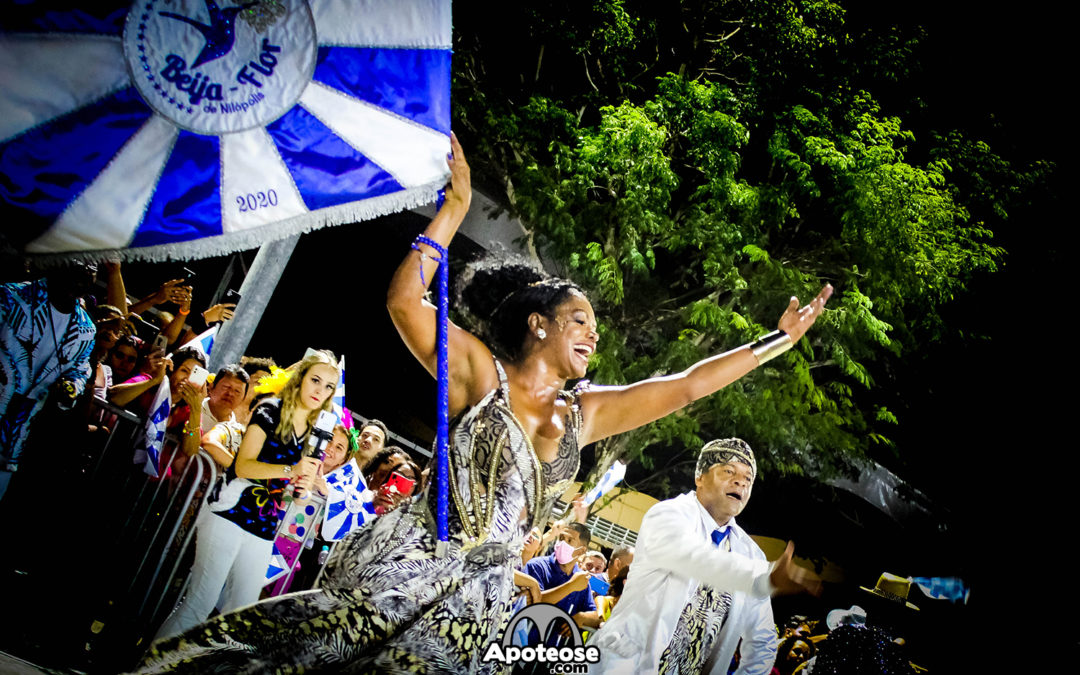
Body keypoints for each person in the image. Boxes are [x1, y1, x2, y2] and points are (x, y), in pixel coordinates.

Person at [138, 135, 831, 673]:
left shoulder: (585, 414)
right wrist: (453, 210)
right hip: (409, 563)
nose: (594, 333)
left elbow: (684, 384)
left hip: (478, 601)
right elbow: (404, 299)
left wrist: (776, 341)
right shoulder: (479, 372)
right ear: (539, 324)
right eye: (580, 320)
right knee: (301, 654)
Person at [588, 439, 819, 675]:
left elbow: (762, 642)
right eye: (729, 471)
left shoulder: (752, 555)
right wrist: (762, 580)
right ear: (700, 477)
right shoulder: (668, 516)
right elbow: (692, 558)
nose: (740, 481)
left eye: (748, 478)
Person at [151, 350, 338, 641]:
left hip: (264, 526)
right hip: (229, 511)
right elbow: (243, 465)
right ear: (300, 378)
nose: (320, 390)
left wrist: (305, 487)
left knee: (240, 616)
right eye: (315, 380)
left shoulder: (317, 432)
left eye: (328, 386)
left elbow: (298, 498)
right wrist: (292, 469)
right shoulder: (271, 410)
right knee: (200, 605)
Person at [1, 264, 97, 500]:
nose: (84, 273)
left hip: (16, 434)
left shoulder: (86, 329)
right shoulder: (11, 298)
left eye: (92, 269)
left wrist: (70, 390)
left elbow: (79, 371)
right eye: (80, 263)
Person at [523, 522, 600, 628]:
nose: (562, 543)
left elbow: (595, 617)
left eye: (569, 540)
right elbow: (534, 602)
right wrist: (571, 586)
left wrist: (581, 617)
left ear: (581, 551)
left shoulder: (581, 579)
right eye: (561, 538)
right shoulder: (537, 566)